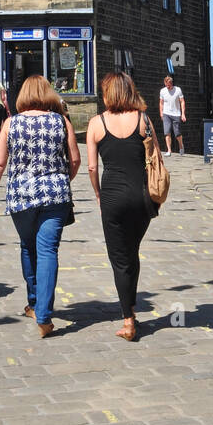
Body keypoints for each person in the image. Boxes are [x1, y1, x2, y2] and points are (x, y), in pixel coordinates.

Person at [0, 75, 80, 339]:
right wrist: (60, 178)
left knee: (28, 245)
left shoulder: (11, 123)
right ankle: (44, 315)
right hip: (55, 196)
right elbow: (75, 159)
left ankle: (35, 302)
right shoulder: (61, 121)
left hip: (21, 196)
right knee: (48, 250)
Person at [87, 71, 161, 342]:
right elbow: (156, 158)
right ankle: (131, 310)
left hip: (113, 197)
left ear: (109, 93)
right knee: (132, 253)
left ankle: (128, 320)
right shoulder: (143, 120)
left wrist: (97, 193)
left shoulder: (96, 124)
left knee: (120, 259)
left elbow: (93, 167)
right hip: (141, 197)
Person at [159, 74, 186, 156]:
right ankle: (169, 150)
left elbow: (182, 101)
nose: (168, 87)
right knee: (167, 132)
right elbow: (161, 103)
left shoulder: (178, 90)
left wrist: (183, 114)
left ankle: (181, 146)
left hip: (176, 113)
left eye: (169, 85)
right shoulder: (162, 91)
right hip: (166, 113)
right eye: (166, 85)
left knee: (177, 133)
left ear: (171, 83)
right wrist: (161, 112)